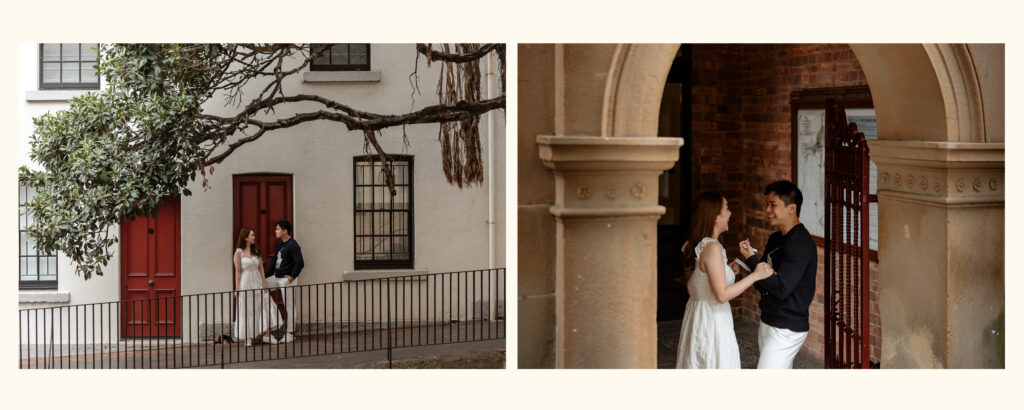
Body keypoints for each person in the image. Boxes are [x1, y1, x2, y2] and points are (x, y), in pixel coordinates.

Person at [676, 191, 774, 369]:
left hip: (697, 316)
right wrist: (755, 275)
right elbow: (721, 295)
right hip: (712, 322)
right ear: (715, 216)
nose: (730, 214)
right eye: (726, 209)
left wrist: (726, 271)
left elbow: (694, 288)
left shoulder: (694, 244)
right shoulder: (712, 247)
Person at [738, 180, 818, 369]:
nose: (767, 209)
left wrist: (752, 260)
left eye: (773, 204)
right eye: (767, 203)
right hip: (767, 320)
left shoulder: (800, 243)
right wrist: (763, 272)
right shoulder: (775, 239)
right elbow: (759, 283)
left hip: (787, 329)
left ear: (792, 208)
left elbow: (781, 289)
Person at [265, 220, 303, 344]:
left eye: (277, 229)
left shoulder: (293, 245)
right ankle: (270, 322)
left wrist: (292, 277)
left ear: (285, 231)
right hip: (276, 277)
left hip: (286, 280)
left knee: (289, 306)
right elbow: (275, 262)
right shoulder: (279, 244)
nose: (275, 231)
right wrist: (264, 277)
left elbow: (300, 262)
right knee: (261, 287)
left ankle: (290, 333)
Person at [233, 228, 272, 347]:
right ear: (246, 238)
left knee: (260, 307)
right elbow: (238, 272)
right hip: (246, 281)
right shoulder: (238, 252)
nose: (254, 237)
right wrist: (237, 288)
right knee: (246, 309)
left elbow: (261, 268)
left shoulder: (256, 250)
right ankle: (247, 338)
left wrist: (264, 283)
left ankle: (264, 334)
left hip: (257, 281)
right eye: (252, 235)